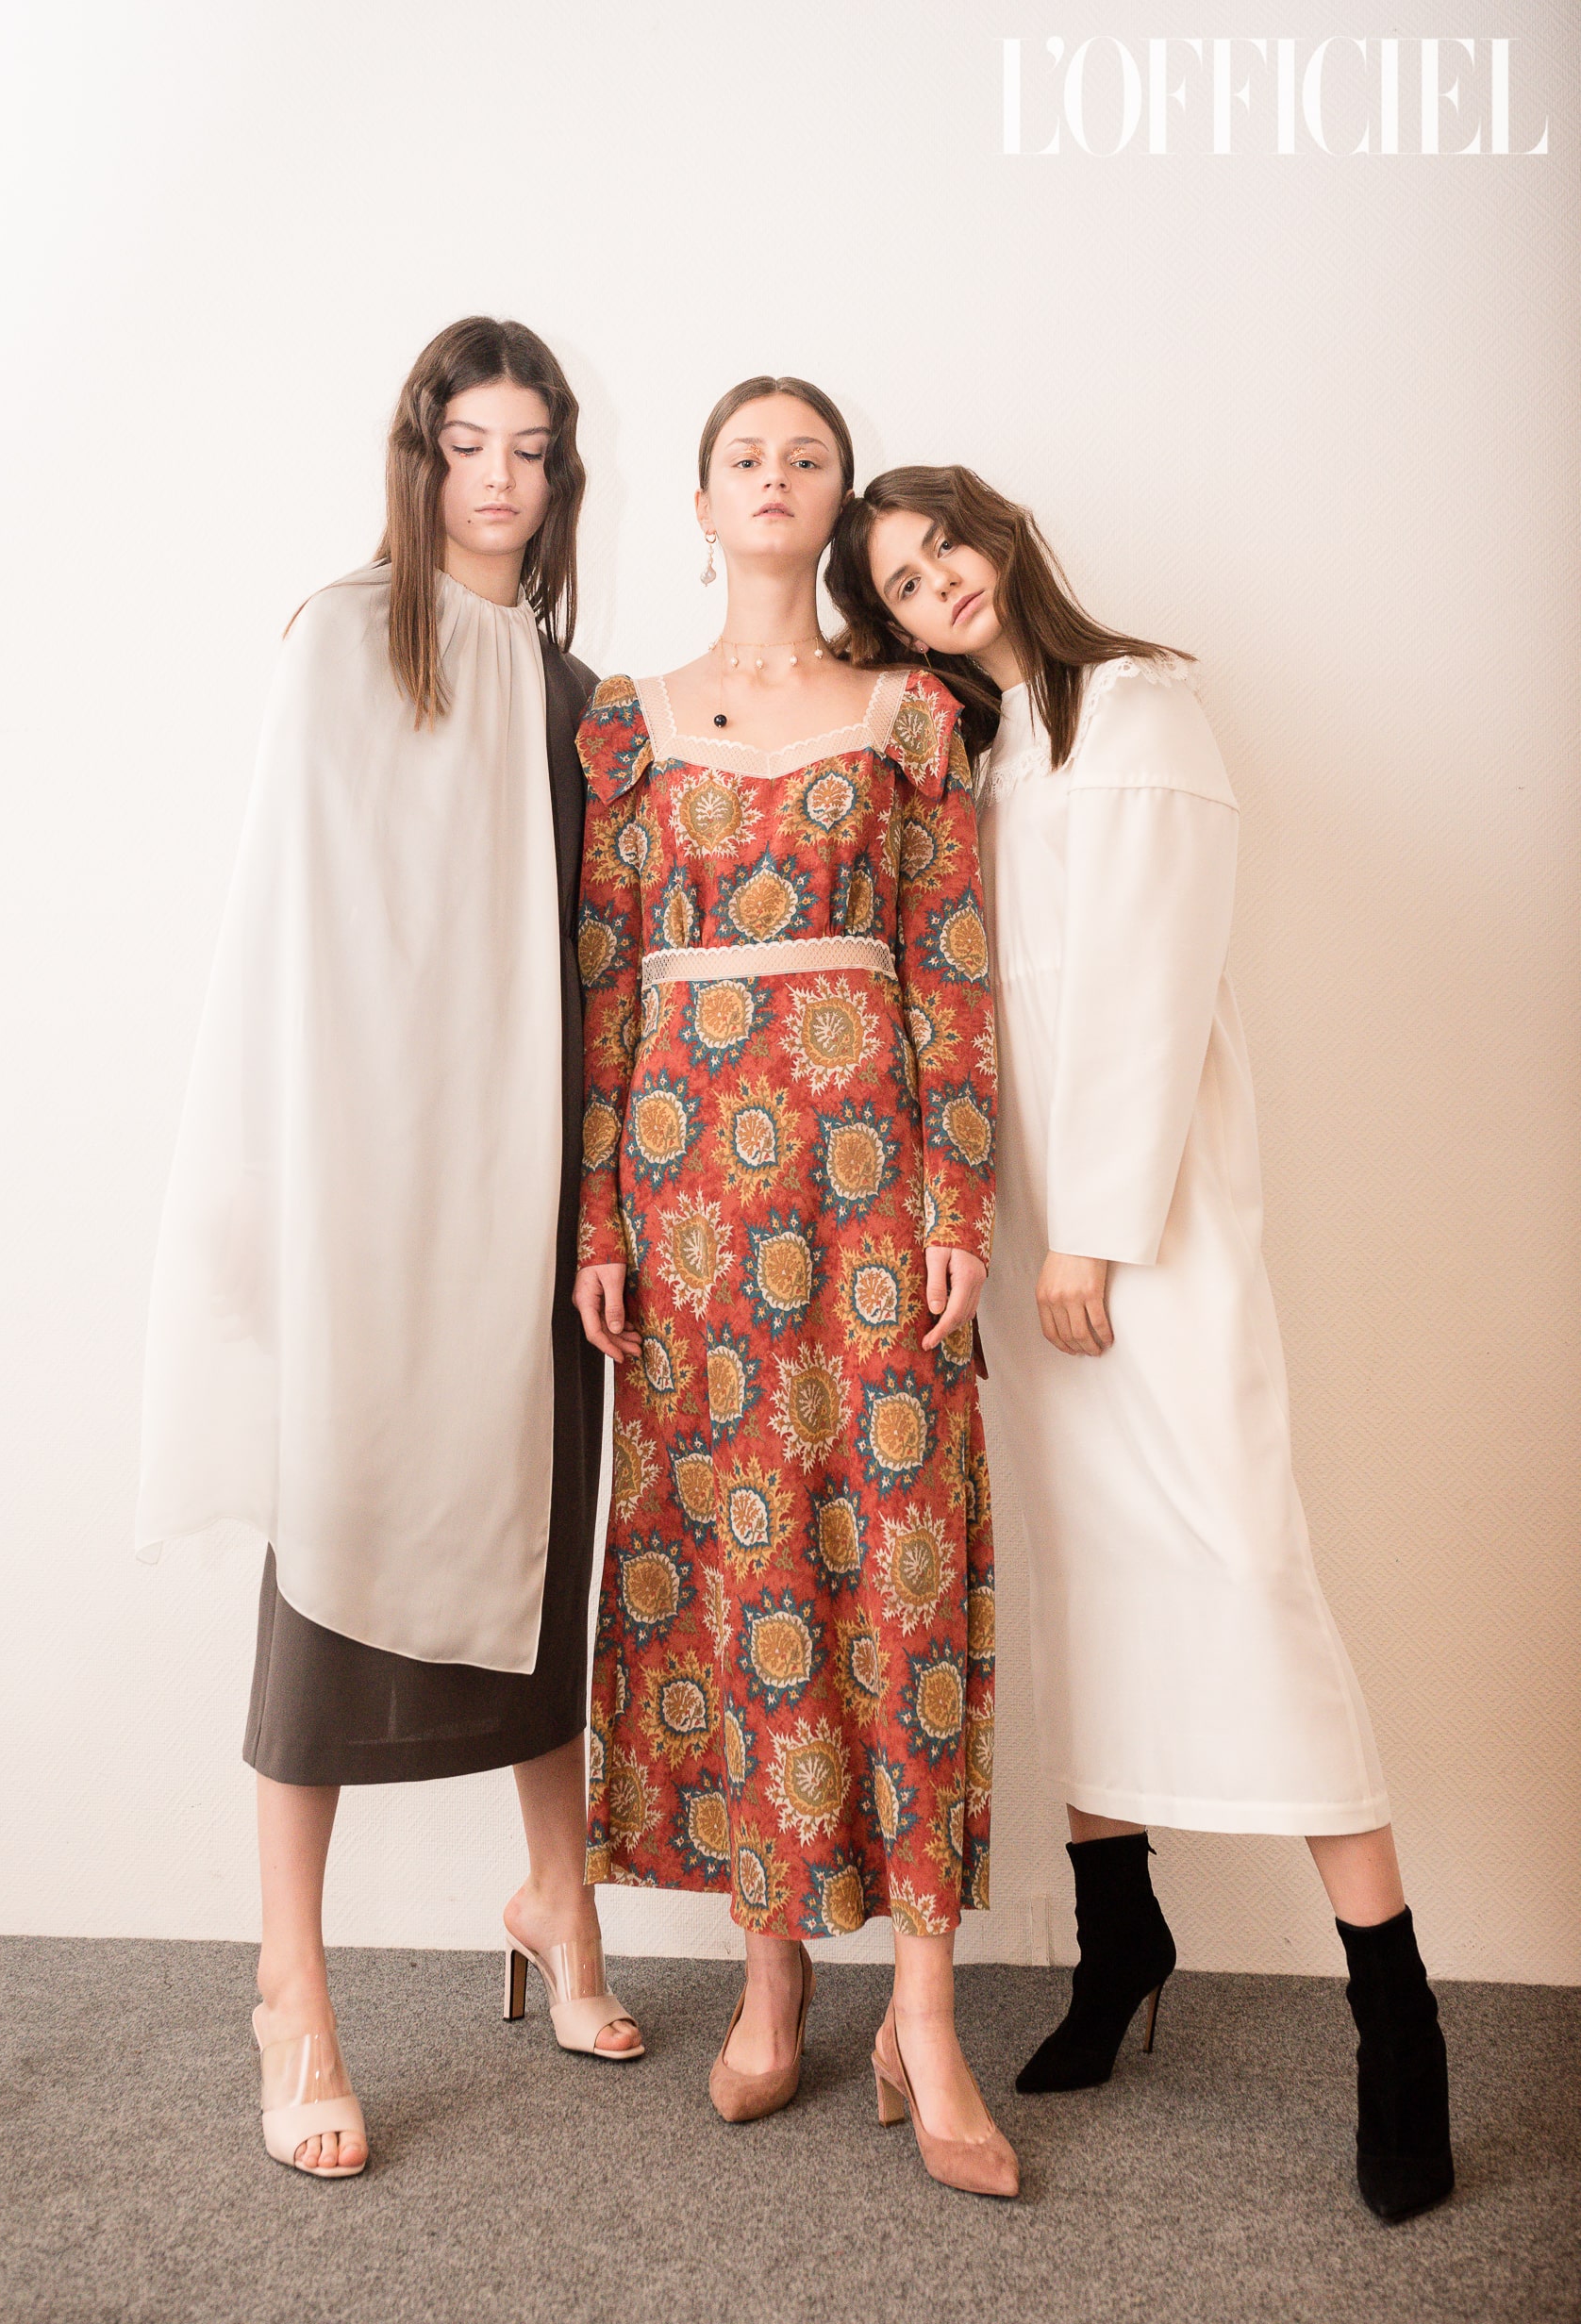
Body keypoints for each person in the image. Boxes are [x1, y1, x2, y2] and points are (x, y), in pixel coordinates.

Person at [825, 464, 1454, 2224]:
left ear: (1001, 534)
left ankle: (1397, 2016)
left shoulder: (1138, 706)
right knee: (1076, 1580)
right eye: (898, 584)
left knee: (1245, 1568)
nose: (934, 587)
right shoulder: (972, 750)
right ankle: (1119, 1940)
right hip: (1018, 1222)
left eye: (943, 548)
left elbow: (1156, 984)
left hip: (1135, 1220)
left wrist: (1095, 1230)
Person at [137, 316, 641, 2182]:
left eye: (531, 449)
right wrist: (286, 1187)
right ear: (419, 458)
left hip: (531, 1187)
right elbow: (288, 925)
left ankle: (556, 1900)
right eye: (468, 444)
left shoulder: (583, 696)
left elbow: (598, 964)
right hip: (371, 1182)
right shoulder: (343, 639)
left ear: (560, 476)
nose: (498, 479)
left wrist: (594, 1200)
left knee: (537, 1551)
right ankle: (293, 1989)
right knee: (332, 1573)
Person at [572, 379, 1016, 2196]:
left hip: (870, 1193)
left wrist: (959, 1196)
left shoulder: (910, 717)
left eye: (805, 459)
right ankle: (771, 1978)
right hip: (686, 1208)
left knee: (897, 1568)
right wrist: (596, 1226)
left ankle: (924, 2011)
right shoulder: (624, 724)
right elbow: (606, 985)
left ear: (834, 504)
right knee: (739, 1565)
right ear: (699, 503)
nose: (773, 478)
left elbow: (953, 963)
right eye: (744, 458)